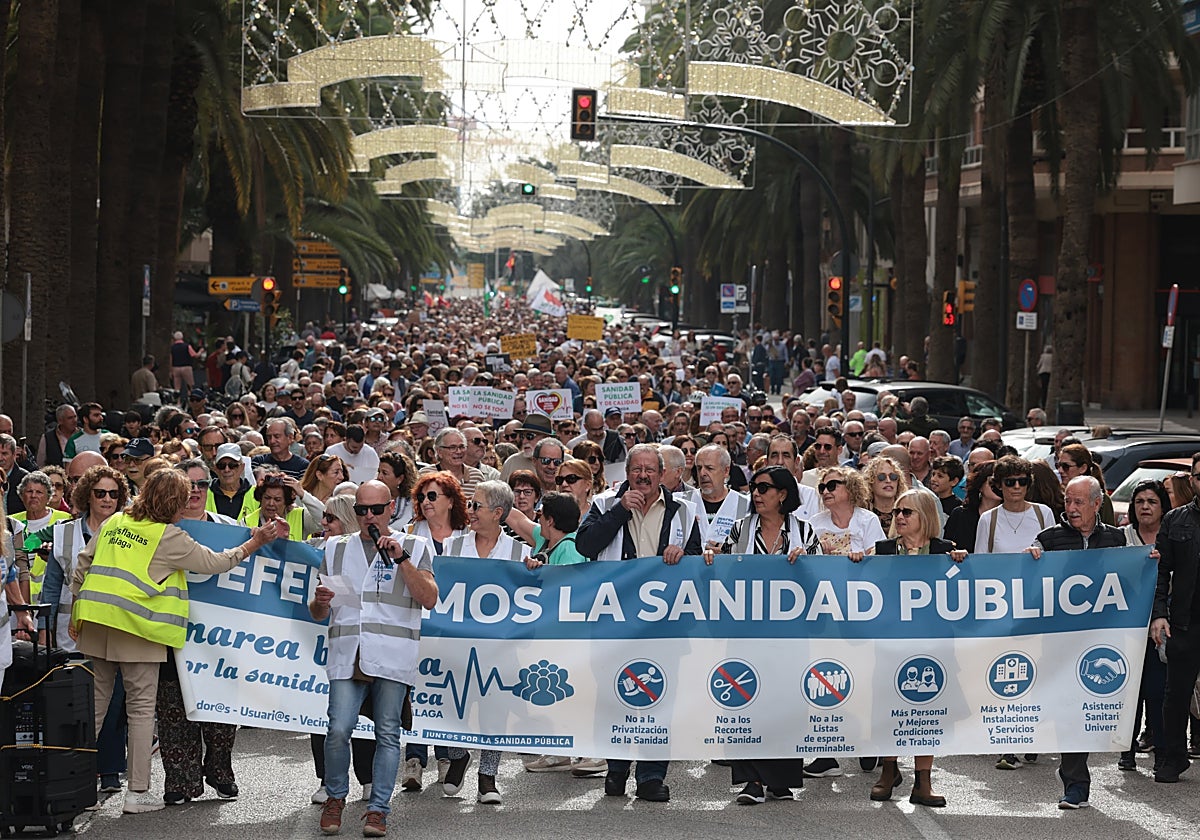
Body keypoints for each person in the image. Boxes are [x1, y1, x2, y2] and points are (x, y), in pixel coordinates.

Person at [71, 469, 288, 814]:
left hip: (96, 625)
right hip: (138, 631)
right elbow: (217, 563)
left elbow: (82, 565)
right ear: (174, 502)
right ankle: (137, 793)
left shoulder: (114, 523)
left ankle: (71, 787)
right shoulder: (168, 537)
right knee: (141, 711)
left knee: (93, 709)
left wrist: (77, 613)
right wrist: (256, 542)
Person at [309, 480, 440, 837]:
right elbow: (318, 612)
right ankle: (335, 796)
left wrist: (401, 560)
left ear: (391, 508)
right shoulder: (335, 548)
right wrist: (321, 601)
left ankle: (378, 809)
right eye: (361, 510)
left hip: (391, 653)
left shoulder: (414, 544)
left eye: (376, 510)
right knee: (338, 729)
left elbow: (428, 598)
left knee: (387, 732)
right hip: (348, 651)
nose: (369, 517)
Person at [575, 444, 703, 802]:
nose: (643, 476)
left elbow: (700, 559)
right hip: (614, 622)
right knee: (615, 695)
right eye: (637, 470)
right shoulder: (603, 504)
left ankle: (650, 776)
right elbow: (586, 546)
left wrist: (685, 555)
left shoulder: (685, 511)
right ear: (627, 473)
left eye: (650, 470)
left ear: (662, 475)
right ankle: (616, 770)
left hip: (665, 624)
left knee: (659, 697)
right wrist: (619, 512)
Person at [1027, 476, 1127, 807]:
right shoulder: (1049, 539)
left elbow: (1129, 579)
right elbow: (1025, 578)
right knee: (1068, 711)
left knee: (1086, 710)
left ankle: (1081, 778)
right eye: (1067, 502)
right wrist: (1029, 559)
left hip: (1100, 642)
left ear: (1098, 504)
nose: (1071, 509)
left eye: (1079, 502)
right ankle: (1075, 785)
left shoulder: (1115, 538)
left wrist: (1147, 564)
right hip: (1058, 644)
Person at [871, 489, 967, 808]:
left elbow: (961, 592)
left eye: (907, 512)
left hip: (934, 645)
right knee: (888, 709)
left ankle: (923, 781)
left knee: (927, 712)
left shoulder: (944, 551)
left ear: (925, 516)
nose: (899, 517)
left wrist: (959, 566)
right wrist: (858, 562)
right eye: (897, 511)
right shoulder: (882, 550)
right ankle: (888, 770)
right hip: (890, 644)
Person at [155, 460, 242, 805]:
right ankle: (180, 781)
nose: (195, 491)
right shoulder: (158, 530)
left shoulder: (232, 528)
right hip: (171, 634)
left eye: (202, 484)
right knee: (173, 711)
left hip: (218, 640)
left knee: (220, 712)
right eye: (187, 485)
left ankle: (220, 772)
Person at [440, 481, 531, 804]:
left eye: (476, 506)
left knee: (495, 708)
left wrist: (536, 572)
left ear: (498, 513)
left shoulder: (521, 552)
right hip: (458, 643)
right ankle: (458, 755)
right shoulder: (452, 546)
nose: (470, 511)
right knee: (453, 703)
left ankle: (488, 776)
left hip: (501, 645)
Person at [307, 494, 377, 806]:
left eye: (331, 518)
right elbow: (318, 610)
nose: (324, 524)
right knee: (334, 722)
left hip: (375, 649)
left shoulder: (376, 551)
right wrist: (320, 603)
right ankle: (329, 782)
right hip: (335, 648)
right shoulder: (326, 552)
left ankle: (368, 778)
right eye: (323, 516)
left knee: (369, 721)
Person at [1152, 452, 1200, 784]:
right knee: (1176, 694)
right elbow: (1161, 572)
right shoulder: (1175, 520)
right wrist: (1159, 614)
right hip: (1184, 621)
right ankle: (1172, 758)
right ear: (1192, 480)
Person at [1119, 479, 1171, 773]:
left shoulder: (1172, 535)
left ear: (1162, 506)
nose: (1145, 507)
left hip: (1162, 624)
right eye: (1139, 502)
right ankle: (1126, 751)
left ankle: (1161, 751)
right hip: (1126, 626)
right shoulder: (1122, 536)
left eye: (1151, 501)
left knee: (1157, 690)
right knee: (1130, 691)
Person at [694, 443, 751, 546]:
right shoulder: (684, 502)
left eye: (709, 468)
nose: (702, 474)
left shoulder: (745, 504)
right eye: (699, 468)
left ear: (726, 471)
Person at [207, 442, 258, 522]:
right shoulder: (204, 494)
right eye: (222, 466)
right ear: (215, 469)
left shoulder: (257, 494)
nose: (227, 470)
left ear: (242, 467)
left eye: (233, 465)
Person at [863, 456, 909, 536]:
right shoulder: (861, 514)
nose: (888, 481)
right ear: (870, 482)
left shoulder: (909, 511)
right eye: (882, 477)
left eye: (893, 477)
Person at [377, 450, 417, 530]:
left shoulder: (413, 504)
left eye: (384, 473)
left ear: (400, 479)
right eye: (379, 472)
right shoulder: (371, 499)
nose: (379, 477)